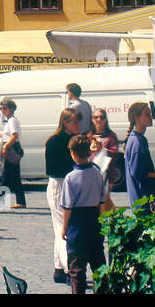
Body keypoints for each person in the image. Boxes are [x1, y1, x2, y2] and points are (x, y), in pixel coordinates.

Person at [60, 134, 107, 295]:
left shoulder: (70, 178)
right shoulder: (97, 173)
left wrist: (64, 227)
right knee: (99, 267)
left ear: (73, 153)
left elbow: (67, 206)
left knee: (77, 270)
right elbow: (102, 200)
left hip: (77, 225)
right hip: (94, 221)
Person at [44, 108, 79, 284]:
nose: (78, 126)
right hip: (59, 185)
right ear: (65, 122)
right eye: (75, 122)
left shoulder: (72, 140)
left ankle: (59, 268)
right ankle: (69, 269)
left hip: (67, 185)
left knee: (60, 228)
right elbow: (52, 169)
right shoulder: (55, 141)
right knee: (64, 229)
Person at [124, 102, 155, 206]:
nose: (151, 117)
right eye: (147, 114)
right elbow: (137, 173)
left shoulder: (139, 139)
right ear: (137, 118)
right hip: (143, 201)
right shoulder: (136, 142)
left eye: (150, 113)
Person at [0, 98, 26, 208]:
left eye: (5, 108)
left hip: (11, 148)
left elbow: (14, 136)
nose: (2, 110)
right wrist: (3, 135)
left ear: (11, 109)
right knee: (10, 175)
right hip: (12, 148)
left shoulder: (12, 120)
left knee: (9, 175)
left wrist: (6, 146)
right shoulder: (10, 120)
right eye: (1, 108)